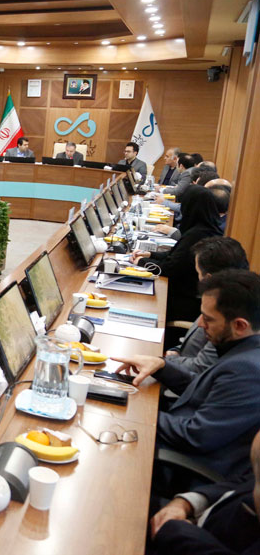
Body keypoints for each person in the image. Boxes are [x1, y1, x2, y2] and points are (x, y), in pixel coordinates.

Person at [113, 270, 260, 483]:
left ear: (239, 326)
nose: (200, 325)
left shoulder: (247, 371)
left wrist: (138, 412)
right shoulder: (242, 350)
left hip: (182, 468)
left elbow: (196, 436)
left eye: (208, 319)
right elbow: (203, 389)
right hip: (177, 436)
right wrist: (161, 366)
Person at [149, 430, 260, 555]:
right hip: (192, 522)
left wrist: (177, 530)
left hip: (189, 541)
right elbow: (242, 482)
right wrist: (184, 503)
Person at [133, 185, 224, 323]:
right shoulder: (206, 228)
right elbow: (176, 255)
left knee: (139, 303)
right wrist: (150, 255)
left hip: (182, 301)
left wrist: (140, 262)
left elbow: (171, 268)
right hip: (187, 294)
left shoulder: (197, 235)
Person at [162, 237, 250, 374]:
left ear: (208, 278)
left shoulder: (227, 313)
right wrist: (175, 351)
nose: (201, 323)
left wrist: (165, 360)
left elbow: (200, 367)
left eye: (197, 273)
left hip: (184, 378)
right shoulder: (218, 298)